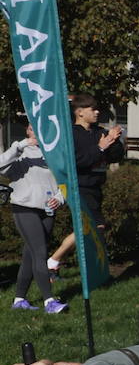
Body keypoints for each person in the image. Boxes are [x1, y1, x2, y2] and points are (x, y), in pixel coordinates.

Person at [47, 93, 124, 272]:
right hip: (79, 187)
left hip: (96, 187)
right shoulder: (71, 134)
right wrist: (101, 147)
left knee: (91, 229)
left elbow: (116, 156)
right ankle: (55, 261)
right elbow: (77, 161)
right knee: (94, 226)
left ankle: (57, 262)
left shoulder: (100, 132)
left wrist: (115, 141)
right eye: (93, 109)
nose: (97, 112)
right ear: (80, 112)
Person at [1, 127, 66, 313]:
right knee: (40, 252)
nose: (36, 131)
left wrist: (60, 198)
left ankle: (19, 300)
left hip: (47, 210)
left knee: (30, 256)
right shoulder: (19, 152)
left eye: (39, 127)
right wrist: (21, 145)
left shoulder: (53, 151)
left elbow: (65, 180)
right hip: (24, 208)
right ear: (27, 131)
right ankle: (49, 301)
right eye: (31, 127)